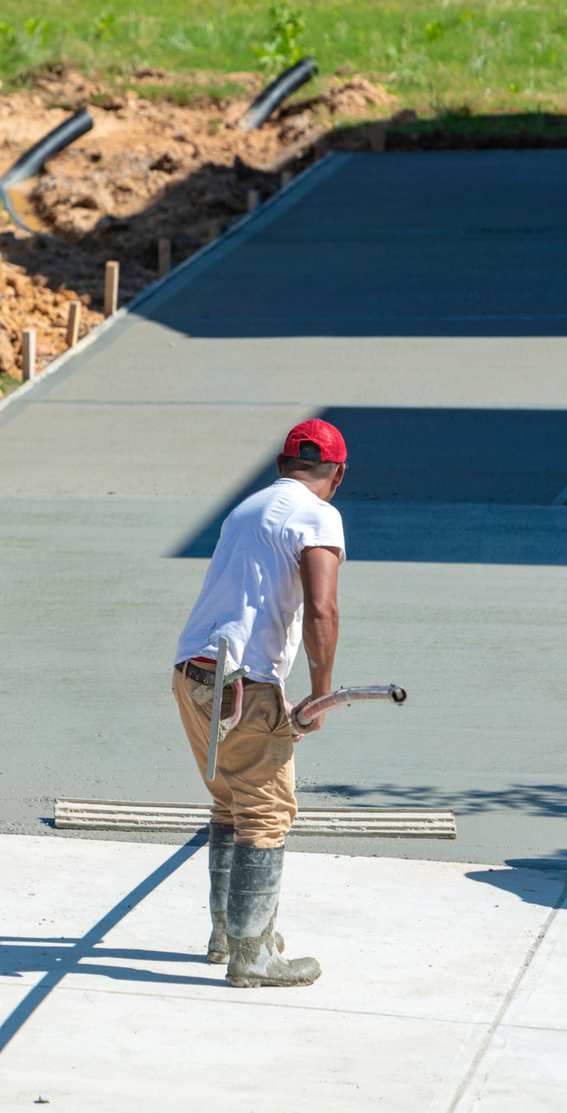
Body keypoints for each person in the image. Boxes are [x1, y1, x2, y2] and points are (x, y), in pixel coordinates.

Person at [172, 419, 348, 987]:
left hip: (193, 672)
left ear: (280, 466)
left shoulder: (245, 510)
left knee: (230, 800)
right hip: (243, 684)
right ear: (338, 475)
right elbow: (321, 608)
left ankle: (227, 935)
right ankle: (252, 957)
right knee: (266, 812)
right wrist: (322, 693)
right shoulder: (318, 515)